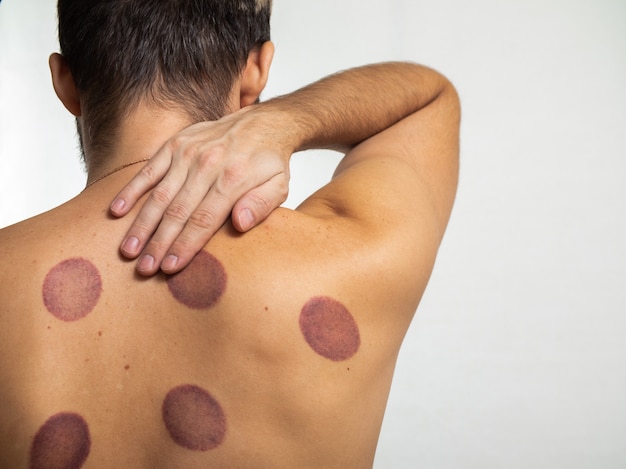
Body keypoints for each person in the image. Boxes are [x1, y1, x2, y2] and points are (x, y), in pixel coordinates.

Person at [0, 0, 459, 467]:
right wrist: (284, 119)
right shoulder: (347, 256)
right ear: (257, 71)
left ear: (64, 81)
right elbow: (429, 99)